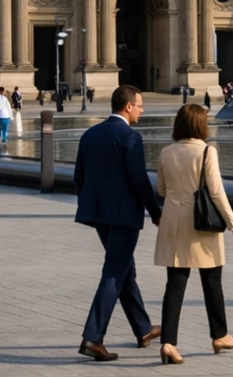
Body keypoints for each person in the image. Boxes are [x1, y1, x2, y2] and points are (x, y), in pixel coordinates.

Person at [74, 86, 163, 362]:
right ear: (127, 107)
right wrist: (155, 211)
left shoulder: (90, 134)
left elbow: (79, 176)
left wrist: (93, 203)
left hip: (99, 214)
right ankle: (92, 337)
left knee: (124, 269)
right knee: (114, 271)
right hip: (123, 215)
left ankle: (144, 329)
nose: (142, 110)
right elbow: (139, 179)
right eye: (139, 106)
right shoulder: (130, 137)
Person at [154, 104, 233, 363]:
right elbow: (215, 192)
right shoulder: (207, 152)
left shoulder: (166, 151)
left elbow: (160, 188)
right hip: (200, 223)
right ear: (200, 125)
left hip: (173, 221)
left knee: (175, 284)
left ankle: (169, 343)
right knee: (212, 282)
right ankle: (220, 335)